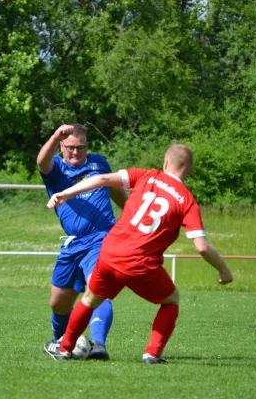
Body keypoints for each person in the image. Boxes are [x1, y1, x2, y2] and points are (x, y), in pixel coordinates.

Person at [43, 143, 233, 364]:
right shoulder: (187, 201)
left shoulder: (146, 175)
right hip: (139, 262)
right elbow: (202, 246)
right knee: (171, 299)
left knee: (89, 299)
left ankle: (65, 348)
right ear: (190, 170)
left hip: (110, 251)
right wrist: (224, 270)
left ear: (165, 162)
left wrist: (65, 193)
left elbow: (103, 179)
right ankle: (152, 354)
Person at [37, 123, 127, 360]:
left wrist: (131, 216)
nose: (76, 152)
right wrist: (56, 134)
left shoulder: (98, 163)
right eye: (70, 148)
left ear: (87, 146)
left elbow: (116, 189)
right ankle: (61, 343)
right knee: (58, 303)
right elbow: (41, 162)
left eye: (81, 148)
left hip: (102, 237)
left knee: (96, 288)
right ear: (61, 147)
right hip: (73, 243)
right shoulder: (55, 167)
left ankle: (98, 345)